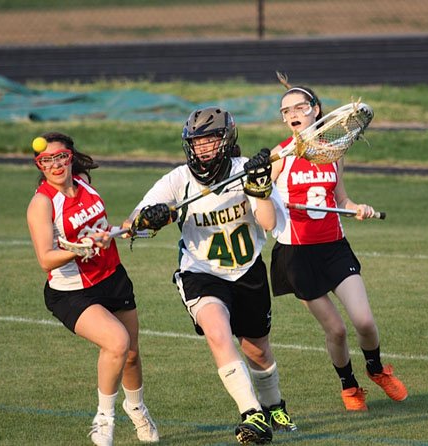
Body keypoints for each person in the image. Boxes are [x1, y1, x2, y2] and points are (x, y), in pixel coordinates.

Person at [123, 107, 296, 445]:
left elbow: (269, 223)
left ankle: (274, 405)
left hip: (247, 271)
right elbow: (132, 222)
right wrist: (149, 218)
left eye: (210, 140)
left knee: (258, 349)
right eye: (196, 142)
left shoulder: (247, 171)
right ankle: (252, 414)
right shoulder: (178, 180)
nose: (202, 148)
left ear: (225, 139)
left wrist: (259, 190)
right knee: (218, 332)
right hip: (201, 272)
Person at [269, 77, 408, 411]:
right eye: (286, 111)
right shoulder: (279, 156)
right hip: (296, 254)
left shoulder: (334, 152)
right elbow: (261, 203)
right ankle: (349, 386)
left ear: (315, 110)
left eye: (299, 107)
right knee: (337, 331)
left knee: (364, 322)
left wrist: (357, 208)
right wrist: (274, 203)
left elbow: (341, 199)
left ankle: (376, 369)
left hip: (334, 246)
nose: (292, 114)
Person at [25, 132, 159, 445]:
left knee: (132, 356)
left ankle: (137, 409)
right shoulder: (41, 203)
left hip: (111, 276)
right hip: (72, 291)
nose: (55, 164)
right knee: (116, 342)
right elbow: (46, 259)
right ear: (39, 164)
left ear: (70, 157)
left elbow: (100, 228)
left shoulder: (84, 180)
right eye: (48, 160)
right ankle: (104, 421)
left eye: (61, 157)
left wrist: (126, 229)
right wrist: (79, 248)